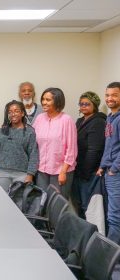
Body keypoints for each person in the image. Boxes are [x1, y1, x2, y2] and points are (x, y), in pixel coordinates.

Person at [33, 87, 77, 201]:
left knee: (57, 203)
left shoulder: (67, 120)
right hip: (42, 169)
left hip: (60, 170)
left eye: (48, 100)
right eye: (43, 99)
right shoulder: (39, 118)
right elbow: (32, 142)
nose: (44, 102)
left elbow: (71, 149)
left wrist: (63, 172)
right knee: (41, 202)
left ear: (57, 101)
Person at [0, 100, 39, 192]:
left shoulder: (30, 132)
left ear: (22, 113)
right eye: (10, 112)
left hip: (22, 174)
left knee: (18, 202)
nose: (13, 114)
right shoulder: (2, 131)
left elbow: (33, 154)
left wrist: (30, 174)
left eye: (16, 111)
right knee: (3, 200)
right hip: (2, 172)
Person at [73, 91, 106, 217]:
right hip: (79, 170)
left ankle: (91, 235)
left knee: (88, 206)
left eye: (87, 104)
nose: (83, 106)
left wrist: (86, 173)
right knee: (79, 204)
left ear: (95, 105)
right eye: (81, 103)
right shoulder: (80, 121)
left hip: (89, 173)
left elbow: (94, 149)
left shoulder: (98, 122)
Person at [97, 82, 120, 244]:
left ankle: (111, 259)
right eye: (107, 95)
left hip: (116, 173)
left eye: (114, 95)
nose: (109, 98)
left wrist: (113, 168)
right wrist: (103, 166)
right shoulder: (111, 117)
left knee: (114, 215)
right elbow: (110, 145)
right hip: (108, 171)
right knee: (110, 213)